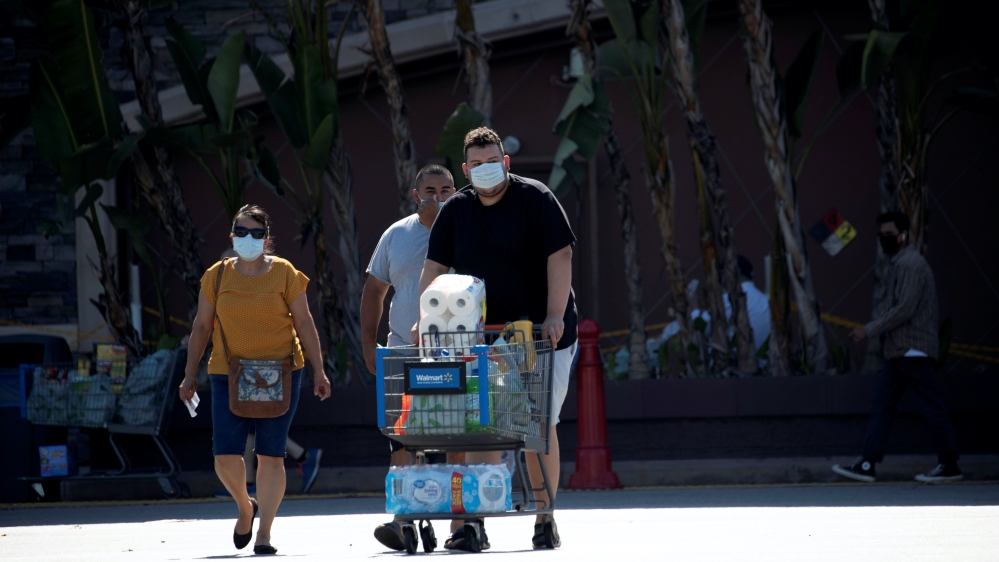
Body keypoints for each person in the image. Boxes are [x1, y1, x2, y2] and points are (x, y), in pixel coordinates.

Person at [416, 127, 577, 550]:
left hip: (540, 333)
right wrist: (424, 318)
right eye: (478, 164)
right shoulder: (457, 211)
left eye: (494, 162)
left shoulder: (536, 199)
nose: (486, 170)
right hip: (482, 338)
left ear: (506, 163)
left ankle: (544, 516)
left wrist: (555, 315)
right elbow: (433, 270)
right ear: (466, 170)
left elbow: (560, 255)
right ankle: (476, 524)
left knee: (538, 427)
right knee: (481, 426)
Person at [179, 204, 331, 555]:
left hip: (282, 370)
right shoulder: (216, 276)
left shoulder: (285, 273)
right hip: (227, 372)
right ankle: (246, 507)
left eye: (257, 233)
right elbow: (201, 326)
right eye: (242, 232)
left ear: (267, 239)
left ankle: (264, 533)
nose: (249, 239)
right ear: (232, 236)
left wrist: (319, 370)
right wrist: (189, 375)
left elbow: (305, 323)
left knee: (271, 455)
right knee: (224, 457)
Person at [360, 164, 456, 550]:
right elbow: (374, 292)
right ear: (416, 195)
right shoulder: (396, 235)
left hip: (457, 356)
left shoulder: (468, 228)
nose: (438, 196)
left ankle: (460, 527)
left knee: (452, 439)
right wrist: (370, 344)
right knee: (402, 439)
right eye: (430, 189)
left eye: (447, 189)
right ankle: (403, 520)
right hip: (403, 353)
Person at [832, 212, 961, 483]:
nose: (885, 240)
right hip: (900, 351)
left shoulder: (911, 264)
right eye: (881, 235)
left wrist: (869, 330)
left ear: (903, 235)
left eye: (889, 235)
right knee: (883, 405)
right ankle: (868, 464)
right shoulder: (900, 263)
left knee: (928, 407)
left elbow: (905, 308)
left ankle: (949, 464)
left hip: (913, 350)